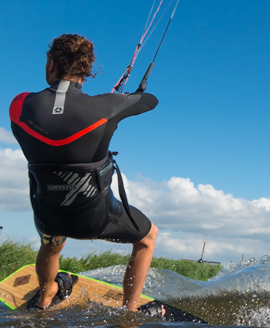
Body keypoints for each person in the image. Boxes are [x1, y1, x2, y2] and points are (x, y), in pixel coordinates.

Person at [9, 34, 160, 312]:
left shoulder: (19, 104)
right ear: (87, 70)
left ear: (50, 64)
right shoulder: (108, 105)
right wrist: (126, 97)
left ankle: (46, 295)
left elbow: (58, 115)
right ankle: (130, 310)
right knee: (147, 237)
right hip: (95, 218)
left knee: (52, 241)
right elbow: (149, 101)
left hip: (48, 215)